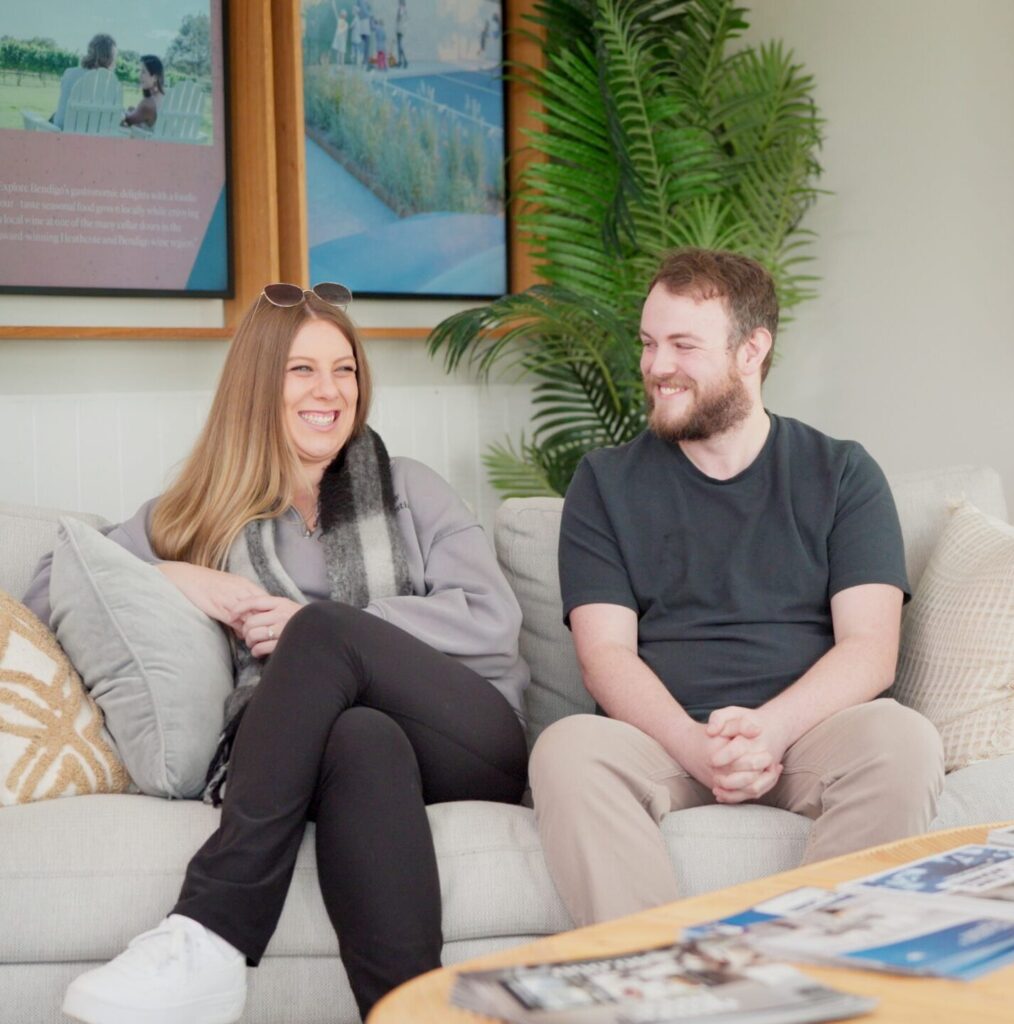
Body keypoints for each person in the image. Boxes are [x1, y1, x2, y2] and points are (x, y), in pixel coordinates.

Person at [27, 283, 529, 1024]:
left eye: (345, 370)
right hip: (348, 757)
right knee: (362, 735)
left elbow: (492, 618)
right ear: (260, 383)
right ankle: (417, 1013)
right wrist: (181, 576)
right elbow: (56, 583)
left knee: (318, 631)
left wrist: (324, 619)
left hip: (469, 737)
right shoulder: (200, 512)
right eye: (302, 370)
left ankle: (213, 931)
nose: (330, 391)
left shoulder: (408, 488)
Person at [529, 247, 945, 928]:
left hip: (810, 732)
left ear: (752, 350)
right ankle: (664, 985)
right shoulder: (604, 483)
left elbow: (870, 649)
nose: (656, 366)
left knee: (904, 741)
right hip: (663, 737)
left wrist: (772, 731)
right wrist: (697, 747)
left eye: (682, 345)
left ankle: (805, 976)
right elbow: (605, 657)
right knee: (567, 749)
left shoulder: (842, 473)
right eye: (648, 342)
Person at [51, 33, 116, 129]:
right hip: (91, 136)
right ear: (110, 58)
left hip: (62, 131)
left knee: (53, 116)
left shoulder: (70, 73)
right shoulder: (111, 83)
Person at [121, 54, 165, 129]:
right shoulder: (163, 97)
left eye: (143, 72)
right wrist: (136, 111)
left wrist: (120, 114)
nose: (140, 76)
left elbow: (126, 122)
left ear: (155, 77)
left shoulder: (148, 103)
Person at [395, 0, 408, 68]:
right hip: (401, 29)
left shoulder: (401, 9)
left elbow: (398, 18)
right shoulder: (404, 9)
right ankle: (400, 61)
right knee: (399, 46)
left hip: (400, 29)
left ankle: (404, 61)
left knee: (400, 46)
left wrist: (398, 14)